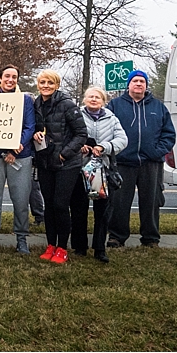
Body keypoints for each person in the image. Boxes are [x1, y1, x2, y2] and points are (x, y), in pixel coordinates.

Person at [107, 70, 175, 249]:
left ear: (146, 85)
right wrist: (115, 151)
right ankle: (116, 236)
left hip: (151, 163)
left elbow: (169, 134)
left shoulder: (158, 107)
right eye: (135, 81)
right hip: (123, 162)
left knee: (151, 201)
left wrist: (156, 151)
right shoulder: (115, 105)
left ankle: (150, 238)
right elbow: (106, 130)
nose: (138, 84)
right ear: (128, 85)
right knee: (119, 202)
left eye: (142, 81)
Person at [32, 69, 88, 264]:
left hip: (67, 164)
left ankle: (62, 247)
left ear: (57, 85)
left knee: (60, 205)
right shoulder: (36, 104)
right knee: (49, 206)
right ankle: (50, 244)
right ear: (38, 85)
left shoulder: (67, 105)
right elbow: (37, 128)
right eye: (42, 82)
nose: (46, 86)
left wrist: (64, 153)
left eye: (50, 82)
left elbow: (81, 134)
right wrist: (36, 135)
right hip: (45, 162)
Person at [0, 65, 36, 254]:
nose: (10, 80)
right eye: (7, 76)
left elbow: (30, 126)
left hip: (20, 154)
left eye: (14, 77)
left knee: (21, 199)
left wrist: (17, 145)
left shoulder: (25, 100)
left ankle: (21, 239)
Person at [73, 86, 128, 263]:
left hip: (101, 171)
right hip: (80, 169)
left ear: (103, 101)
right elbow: (69, 135)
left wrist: (105, 147)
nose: (94, 99)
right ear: (84, 99)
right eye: (90, 96)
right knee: (78, 209)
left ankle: (99, 248)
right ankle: (79, 246)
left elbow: (122, 139)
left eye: (97, 97)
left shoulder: (112, 119)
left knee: (102, 212)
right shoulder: (76, 115)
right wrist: (78, 145)